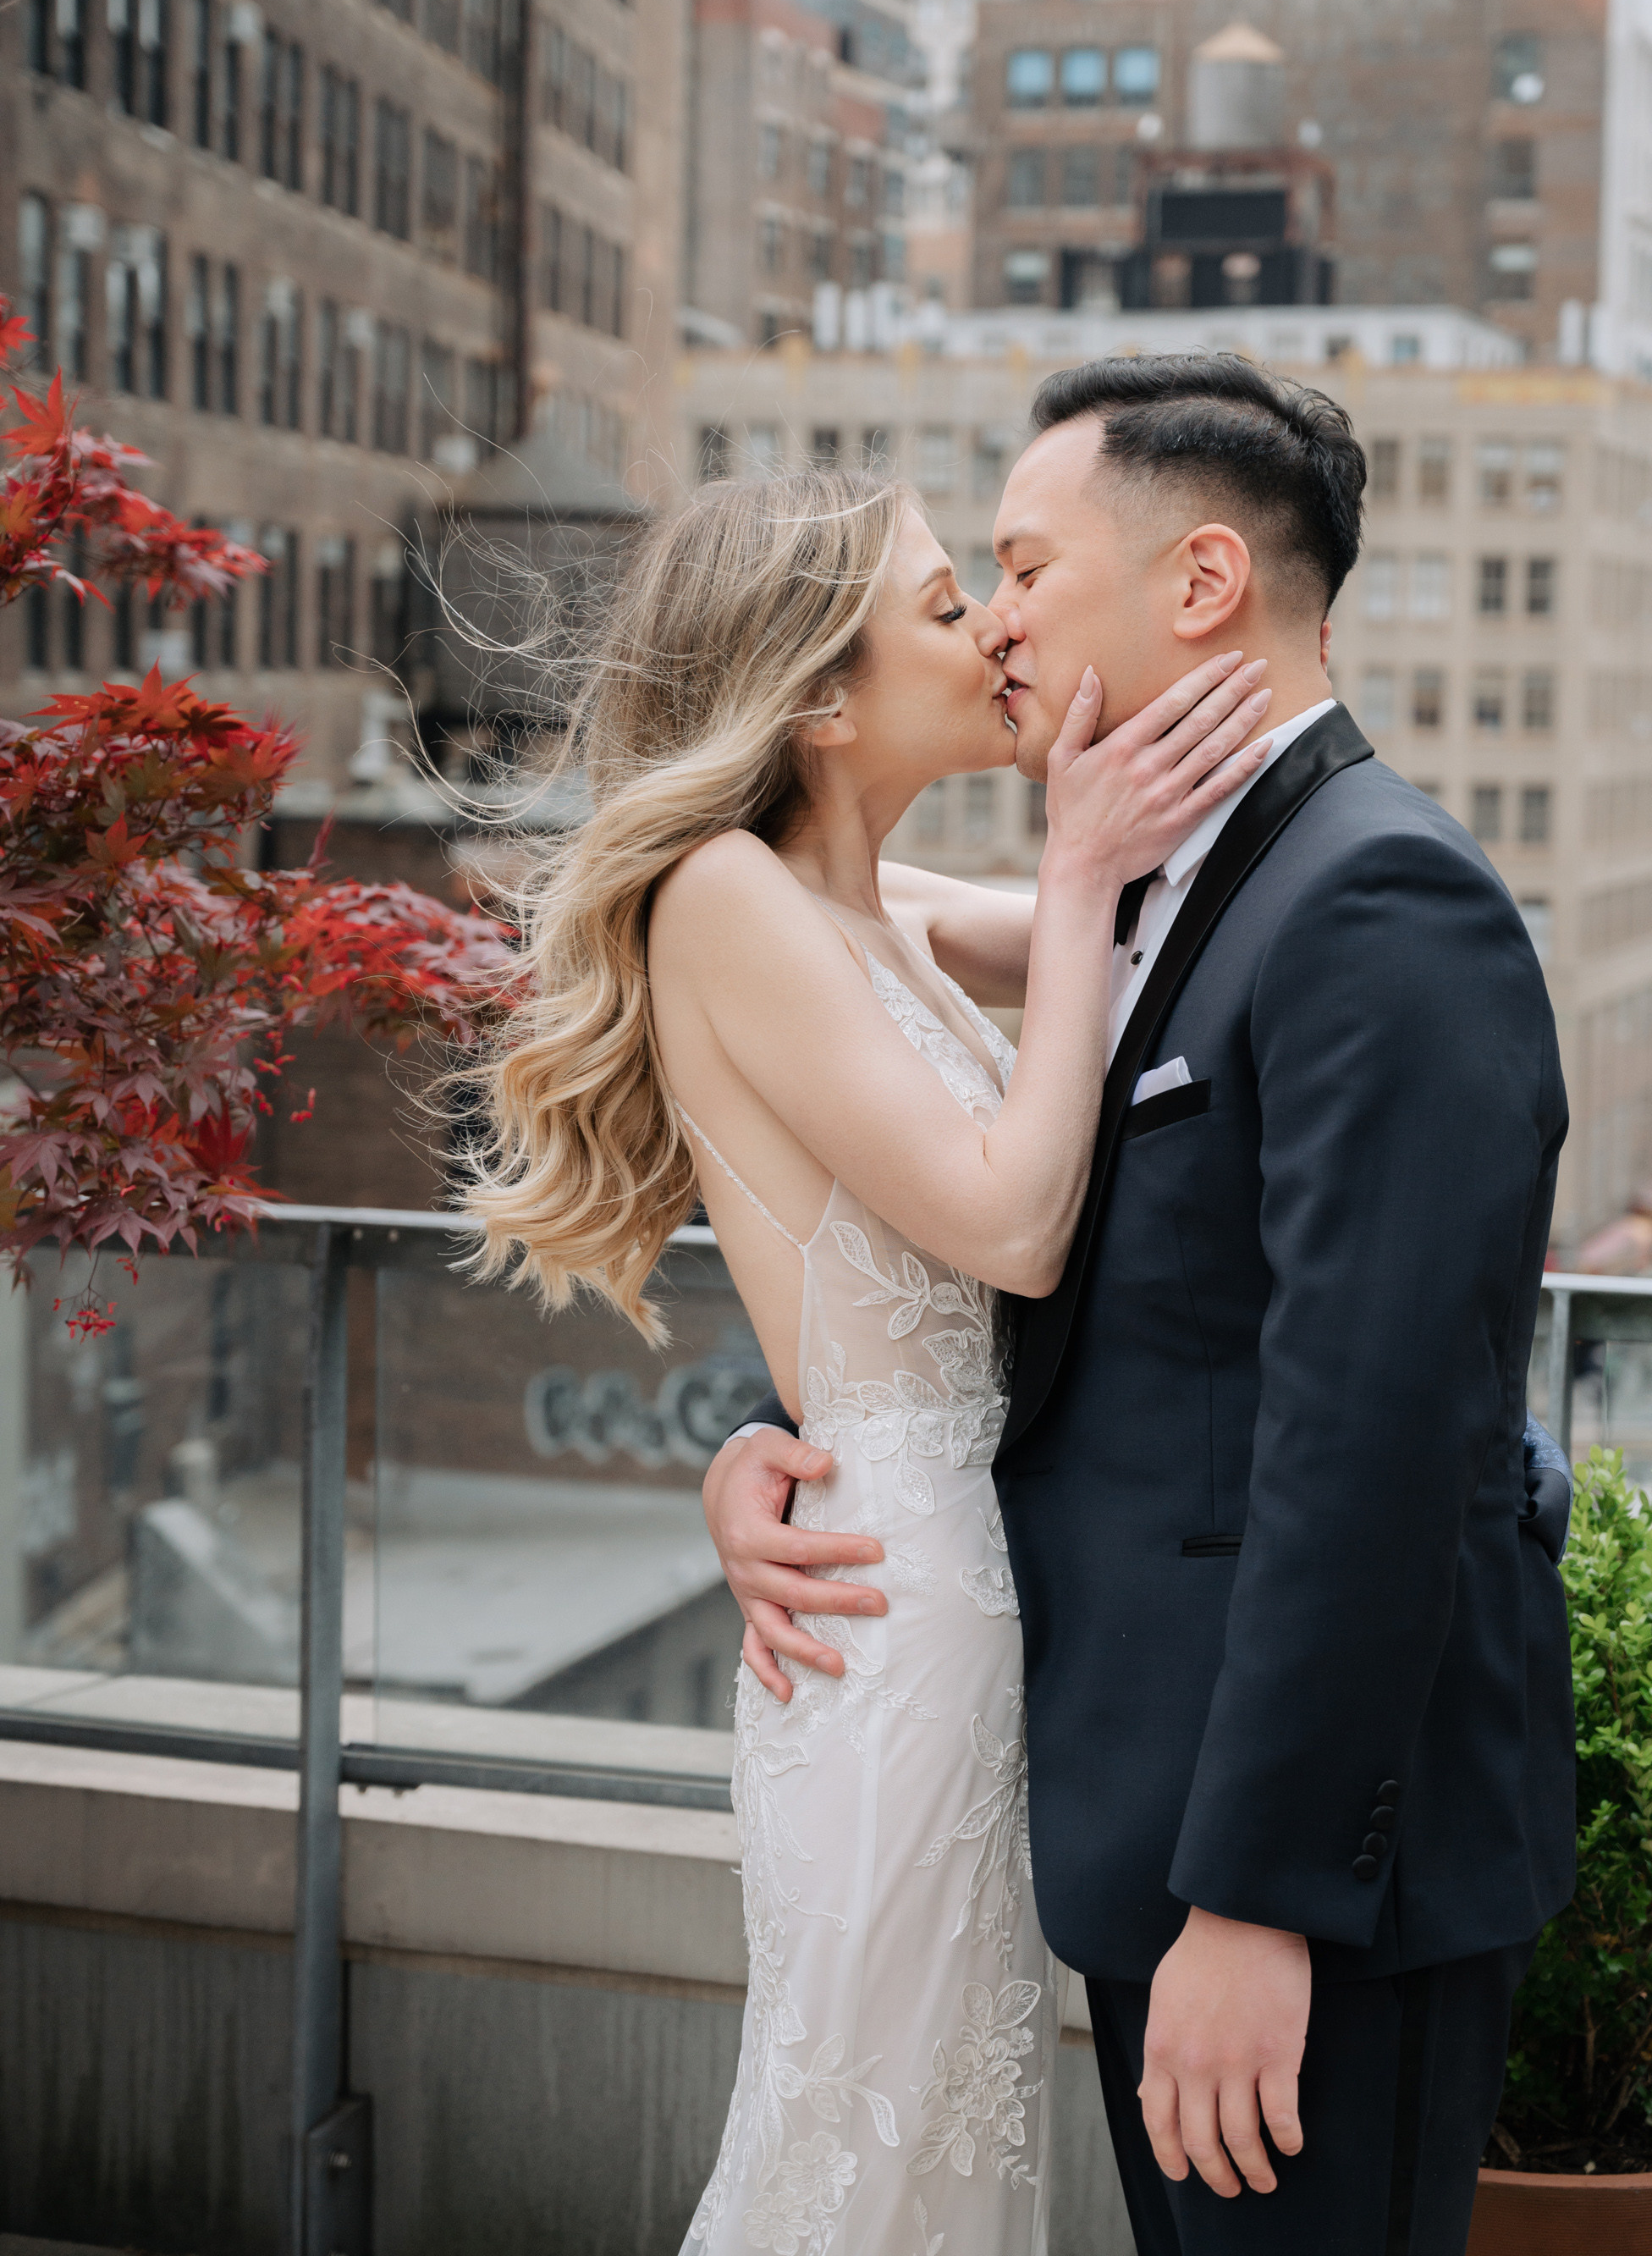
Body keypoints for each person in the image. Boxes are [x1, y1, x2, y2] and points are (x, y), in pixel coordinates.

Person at [705, 354, 1578, 2255]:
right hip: (1131, 1816)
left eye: (1016, 566)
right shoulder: (1154, 889)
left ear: (1194, 586)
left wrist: (1259, 1904)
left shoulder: (1377, 901)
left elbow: (1375, 1438)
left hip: (1296, 1887)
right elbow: (1078, 1292)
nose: (998, 621)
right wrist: (787, 1438)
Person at [460, 463, 1274, 2255]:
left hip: (946, 1593)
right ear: (818, 702)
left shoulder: (873, 904)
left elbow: (1165, 938)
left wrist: (1121, 820)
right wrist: (1068, 867)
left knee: (931, 2152)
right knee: (855, 2152)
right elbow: (1009, 1225)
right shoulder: (723, 902)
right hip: (889, 1616)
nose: (988, 625)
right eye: (939, 604)